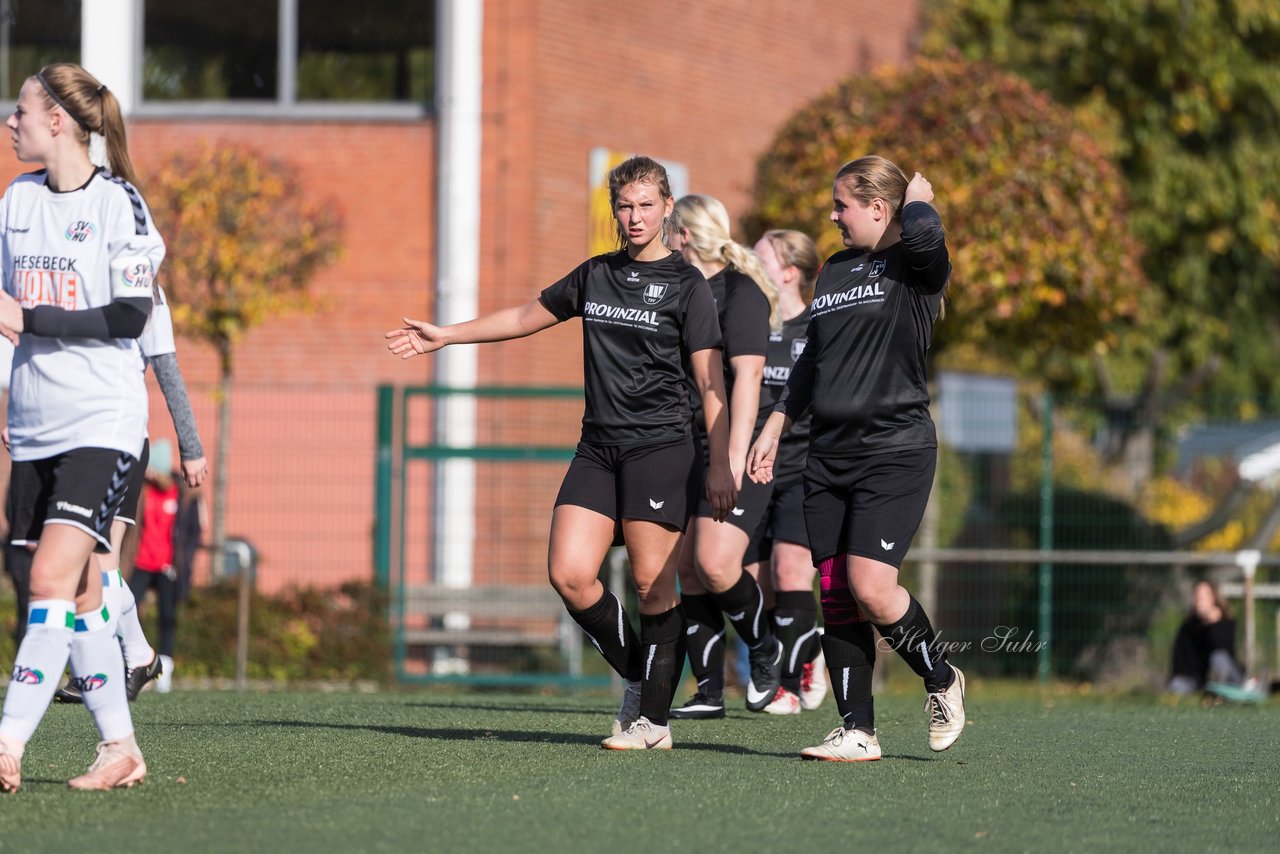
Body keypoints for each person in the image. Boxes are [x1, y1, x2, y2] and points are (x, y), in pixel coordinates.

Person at [387, 155, 736, 751]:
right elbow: (526, 316)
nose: (633, 217)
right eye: (624, 206)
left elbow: (711, 383)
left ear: (666, 208)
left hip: (661, 448)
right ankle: (641, 674)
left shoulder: (688, 285)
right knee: (570, 575)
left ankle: (653, 720)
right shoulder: (595, 275)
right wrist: (446, 335)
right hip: (598, 447)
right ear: (613, 210)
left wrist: (724, 462)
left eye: (646, 205)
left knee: (654, 584)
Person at [748, 155, 965, 761]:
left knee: (872, 586)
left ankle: (942, 678)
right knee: (836, 590)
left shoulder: (916, 267)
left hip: (894, 450)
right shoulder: (836, 271)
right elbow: (811, 361)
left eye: (842, 204)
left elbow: (925, 238)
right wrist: (774, 425)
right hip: (827, 454)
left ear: (878, 208)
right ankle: (857, 731)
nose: (832, 215)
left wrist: (918, 199)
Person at [0, 62, 164, 791]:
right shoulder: (16, 201)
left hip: (104, 421)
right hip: (34, 422)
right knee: (87, 594)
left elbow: (130, 317)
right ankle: (120, 748)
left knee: (47, 579)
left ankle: (6, 744)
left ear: (57, 121)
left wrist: (31, 318)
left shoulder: (120, 205)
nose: (11, 125)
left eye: (20, 113)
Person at [55, 282, 209, 703]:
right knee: (89, 561)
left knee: (98, 560)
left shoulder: (146, 292)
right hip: (75, 437)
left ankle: (102, 668)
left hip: (118, 441)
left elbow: (168, 369)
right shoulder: (83, 274)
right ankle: (136, 656)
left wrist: (191, 447)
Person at [663, 194, 784, 719]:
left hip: (736, 449)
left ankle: (764, 649)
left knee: (715, 563)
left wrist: (731, 460)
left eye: (668, 229)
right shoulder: (678, 289)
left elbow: (749, 379)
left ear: (684, 235)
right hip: (681, 449)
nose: (661, 237)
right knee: (687, 569)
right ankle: (708, 691)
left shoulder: (741, 292)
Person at [743, 228, 827, 715]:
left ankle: (791, 682)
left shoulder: (818, 325)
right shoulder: (748, 321)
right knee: (751, 580)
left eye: (760, 259)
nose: (748, 264)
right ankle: (808, 647)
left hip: (801, 469)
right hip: (752, 470)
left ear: (790, 271)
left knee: (791, 568)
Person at [1167, 579, 1251, 697]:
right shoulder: (1188, 627)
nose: (1198, 601)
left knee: (1219, 658)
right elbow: (1181, 661)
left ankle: (1219, 692)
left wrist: (1214, 624)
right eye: (1197, 597)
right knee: (1177, 685)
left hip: (1227, 676)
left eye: (1203, 597)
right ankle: (1208, 691)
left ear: (1214, 599)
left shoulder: (1225, 623)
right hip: (1197, 679)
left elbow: (1223, 649)